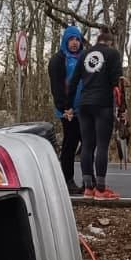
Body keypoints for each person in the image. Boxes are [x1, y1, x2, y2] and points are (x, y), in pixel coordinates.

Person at [66, 28, 124, 199]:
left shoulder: (85, 55)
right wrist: (122, 107)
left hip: (84, 104)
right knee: (102, 145)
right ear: (110, 42)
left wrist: (69, 106)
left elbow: (74, 80)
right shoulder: (112, 54)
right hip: (103, 104)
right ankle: (100, 187)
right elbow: (116, 82)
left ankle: (88, 187)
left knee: (87, 145)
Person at [47, 27, 86, 190]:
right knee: (70, 144)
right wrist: (64, 107)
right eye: (71, 39)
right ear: (65, 41)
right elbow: (56, 87)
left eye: (77, 39)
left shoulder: (85, 58)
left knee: (88, 144)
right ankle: (67, 180)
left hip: (85, 108)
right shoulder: (58, 60)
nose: (74, 43)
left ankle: (88, 181)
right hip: (68, 111)